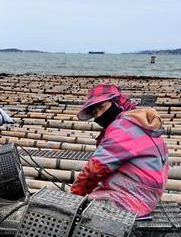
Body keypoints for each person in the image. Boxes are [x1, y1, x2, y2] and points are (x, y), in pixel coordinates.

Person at [71, 84, 169, 216]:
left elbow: (96, 168)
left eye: (102, 107)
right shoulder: (135, 120)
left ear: (116, 102)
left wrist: (74, 196)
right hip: (149, 196)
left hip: (134, 198)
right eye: (95, 113)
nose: (99, 115)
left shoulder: (122, 127)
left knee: (81, 209)